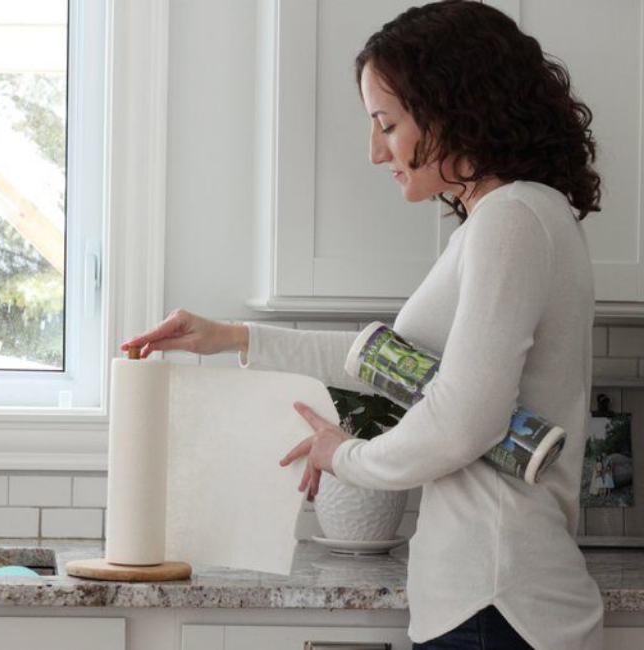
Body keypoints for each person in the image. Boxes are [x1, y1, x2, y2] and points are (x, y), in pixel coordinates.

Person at [123, 2, 604, 648]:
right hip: (488, 604)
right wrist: (234, 338)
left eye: (387, 123)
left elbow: (464, 421)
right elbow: (395, 366)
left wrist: (344, 456)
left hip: (500, 605)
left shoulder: (511, 220)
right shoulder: (509, 217)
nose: (376, 151)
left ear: (452, 108)